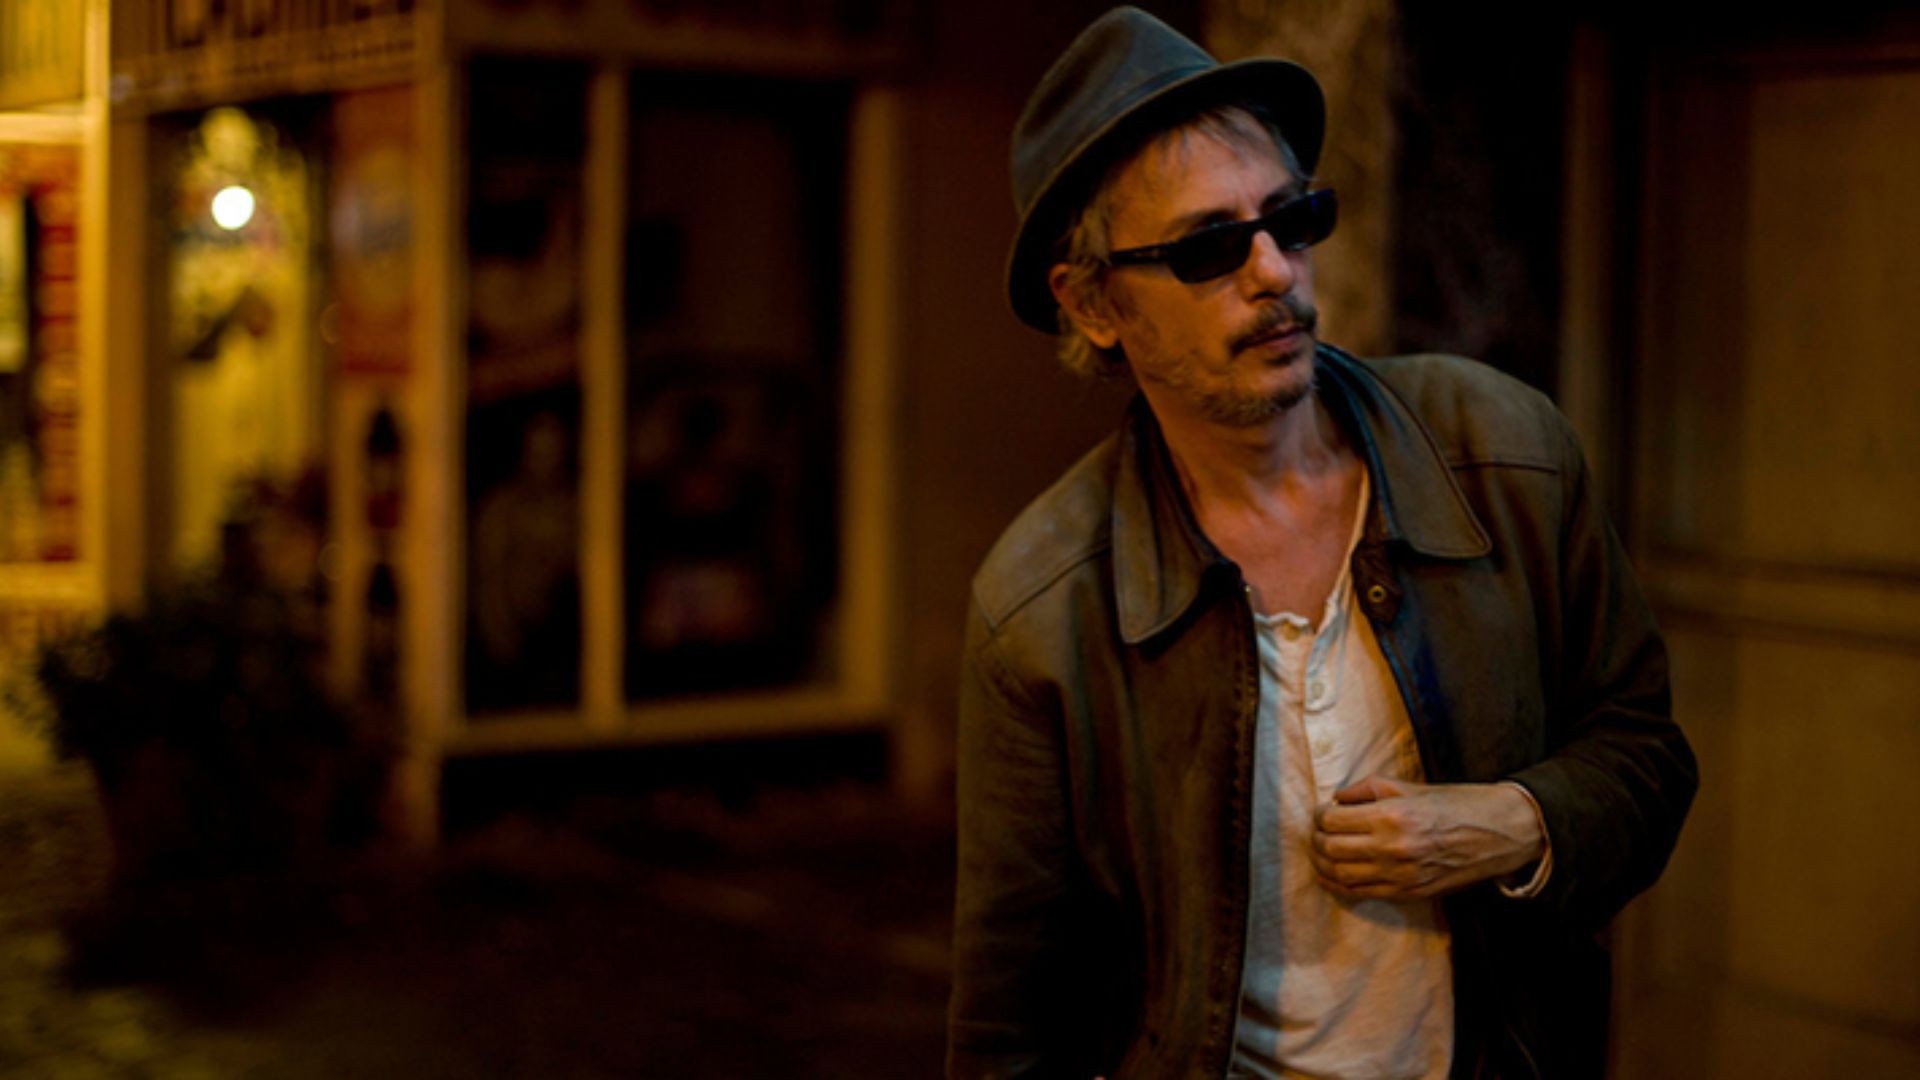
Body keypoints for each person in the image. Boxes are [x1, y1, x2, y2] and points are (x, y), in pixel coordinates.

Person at [948, 8, 1697, 1079]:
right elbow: (1010, 1020)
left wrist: (1514, 821)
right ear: (1095, 303)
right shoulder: (1041, 605)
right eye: (1209, 246)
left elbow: (1648, 757)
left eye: (1290, 219)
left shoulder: (1503, 454)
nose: (1274, 272)